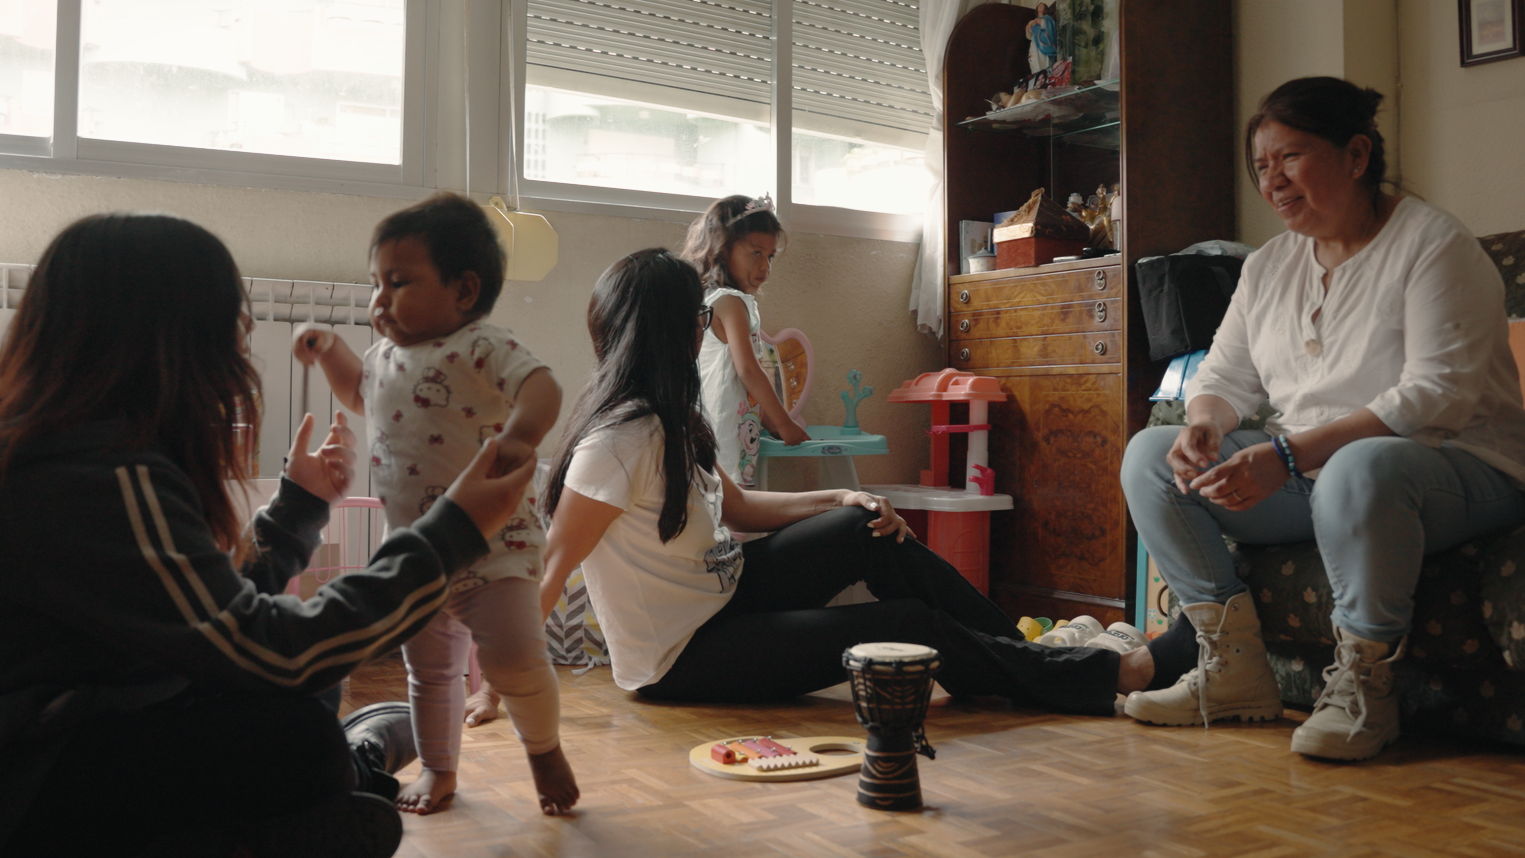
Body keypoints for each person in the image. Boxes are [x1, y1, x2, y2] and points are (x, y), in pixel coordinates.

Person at [0, 213, 534, 858]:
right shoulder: (99, 476)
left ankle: (340, 779)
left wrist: (297, 510)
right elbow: (263, 653)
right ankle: (350, 776)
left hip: (93, 715)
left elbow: (198, 622)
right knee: (295, 729)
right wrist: (451, 531)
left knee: (307, 687)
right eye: (232, 316)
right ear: (170, 333)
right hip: (35, 783)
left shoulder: (83, 448)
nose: (245, 335)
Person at [526, 247, 1155, 710]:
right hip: (680, 658)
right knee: (908, 624)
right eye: (695, 316)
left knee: (866, 528)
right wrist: (503, 688)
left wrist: (844, 496)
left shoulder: (674, 419)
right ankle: (1098, 677)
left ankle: (1030, 654)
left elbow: (739, 508)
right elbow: (551, 571)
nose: (704, 326)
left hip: (725, 595)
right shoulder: (614, 444)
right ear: (664, 329)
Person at [1119, 77, 1525, 761]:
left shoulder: (1432, 245)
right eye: (1261, 166)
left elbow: (1437, 394)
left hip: (1457, 468)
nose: (1272, 181)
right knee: (1149, 458)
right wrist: (1205, 426)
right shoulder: (1270, 265)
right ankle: (1232, 671)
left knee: (1360, 467)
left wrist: (1286, 456)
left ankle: (1366, 685)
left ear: (1356, 154)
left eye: (1290, 158)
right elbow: (1224, 376)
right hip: (1312, 474)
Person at [294, 192, 578, 816]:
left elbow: (543, 387)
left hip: (495, 548)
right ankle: (441, 771)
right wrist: (329, 351)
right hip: (418, 557)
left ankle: (543, 748)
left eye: (399, 283)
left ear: (464, 290)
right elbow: (359, 396)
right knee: (428, 671)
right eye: (375, 284)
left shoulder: (480, 346)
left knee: (511, 661)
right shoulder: (383, 356)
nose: (380, 300)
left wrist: (522, 434)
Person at [679, 193, 809, 488]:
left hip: (713, 425)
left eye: (770, 256)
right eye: (755, 253)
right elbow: (748, 371)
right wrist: (785, 424)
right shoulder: (731, 303)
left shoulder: (709, 299)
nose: (765, 267)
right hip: (725, 430)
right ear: (722, 249)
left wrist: (771, 423)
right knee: (732, 507)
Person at [1025, 3, 1057, 76]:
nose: (1040, 7)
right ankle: (1036, 80)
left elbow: (1049, 29)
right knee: (1034, 63)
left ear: (1045, 9)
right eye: (1039, 6)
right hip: (1035, 45)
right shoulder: (1032, 21)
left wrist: (1038, 22)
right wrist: (1029, 26)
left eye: (1042, 6)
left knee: (1045, 63)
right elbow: (1029, 36)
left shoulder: (1048, 19)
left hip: (1044, 45)